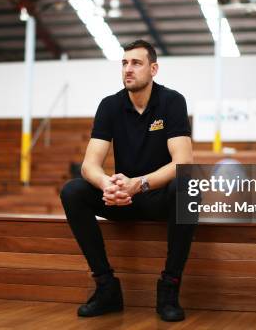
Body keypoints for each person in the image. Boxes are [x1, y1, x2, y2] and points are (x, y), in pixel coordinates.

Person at [60, 39, 196, 322]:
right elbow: (90, 165)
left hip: (156, 198)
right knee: (73, 191)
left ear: (154, 69)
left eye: (136, 63)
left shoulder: (172, 101)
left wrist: (140, 183)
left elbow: (182, 162)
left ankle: (169, 288)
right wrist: (106, 185)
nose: (128, 69)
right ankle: (106, 287)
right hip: (124, 199)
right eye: (124, 63)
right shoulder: (110, 105)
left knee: (187, 186)